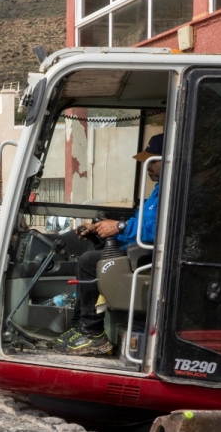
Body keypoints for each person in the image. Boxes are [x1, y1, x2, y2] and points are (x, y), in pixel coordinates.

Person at [54, 133, 163, 356]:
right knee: (88, 256)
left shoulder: (170, 192)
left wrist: (119, 228)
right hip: (138, 249)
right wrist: (102, 229)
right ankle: (81, 325)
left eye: (152, 161)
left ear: (167, 159)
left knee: (89, 261)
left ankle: (93, 333)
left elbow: (158, 230)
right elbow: (139, 225)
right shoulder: (157, 191)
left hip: (150, 258)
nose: (147, 167)